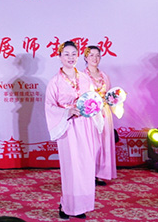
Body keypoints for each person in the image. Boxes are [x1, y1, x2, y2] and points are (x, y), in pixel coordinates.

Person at [44, 41, 100, 220]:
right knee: (72, 168)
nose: (70, 57)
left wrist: (92, 107)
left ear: (78, 56)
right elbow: (49, 106)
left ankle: (81, 206)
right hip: (68, 127)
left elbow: (93, 99)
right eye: (66, 54)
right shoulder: (55, 81)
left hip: (84, 125)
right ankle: (66, 205)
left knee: (86, 166)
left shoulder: (85, 78)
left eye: (73, 54)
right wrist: (67, 112)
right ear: (60, 57)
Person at [83, 45, 116, 186]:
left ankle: (101, 173)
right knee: (92, 143)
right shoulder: (82, 76)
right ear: (85, 57)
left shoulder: (104, 76)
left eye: (97, 55)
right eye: (91, 55)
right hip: (90, 113)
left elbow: (109, 93)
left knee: (104, 142)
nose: (94, 58)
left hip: (104, 111)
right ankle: (88, 173)